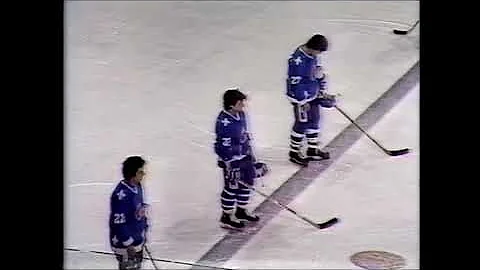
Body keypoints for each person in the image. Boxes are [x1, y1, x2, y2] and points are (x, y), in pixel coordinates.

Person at [214, 88, 269, 229]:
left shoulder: (241, 115)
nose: (243, 105)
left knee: (248, 183)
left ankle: (241, 211)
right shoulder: (224, 123)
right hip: (232, 162)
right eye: (240, 102)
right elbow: (223, 146)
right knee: (232, 187)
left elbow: (245, 137)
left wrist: (251, 156)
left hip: (245, 158)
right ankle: (226, 216)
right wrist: (229, 164)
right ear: (232, 105)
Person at [286, 34, 337, 166]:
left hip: (312, 94)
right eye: (319, 51)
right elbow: (295, 83)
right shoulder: (298, 61)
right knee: (302, 124)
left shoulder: (313, 56)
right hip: (301, 99)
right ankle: (294, 152)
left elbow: (317, 74)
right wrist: (302, 101)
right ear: (313, 47)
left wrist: (321, 91)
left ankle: (312, 149)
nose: (319, 54)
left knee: (314, 120)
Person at [109, 156, 150, 270]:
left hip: (137, 239)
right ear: (133, 174)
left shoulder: (137, 186)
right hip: (126, 246)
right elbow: (119, 223)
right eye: (141, 172)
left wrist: (144, 227)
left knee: (137, 266)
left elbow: (140, 209)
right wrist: (128, 244)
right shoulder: (121, 195)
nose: (143, 174)